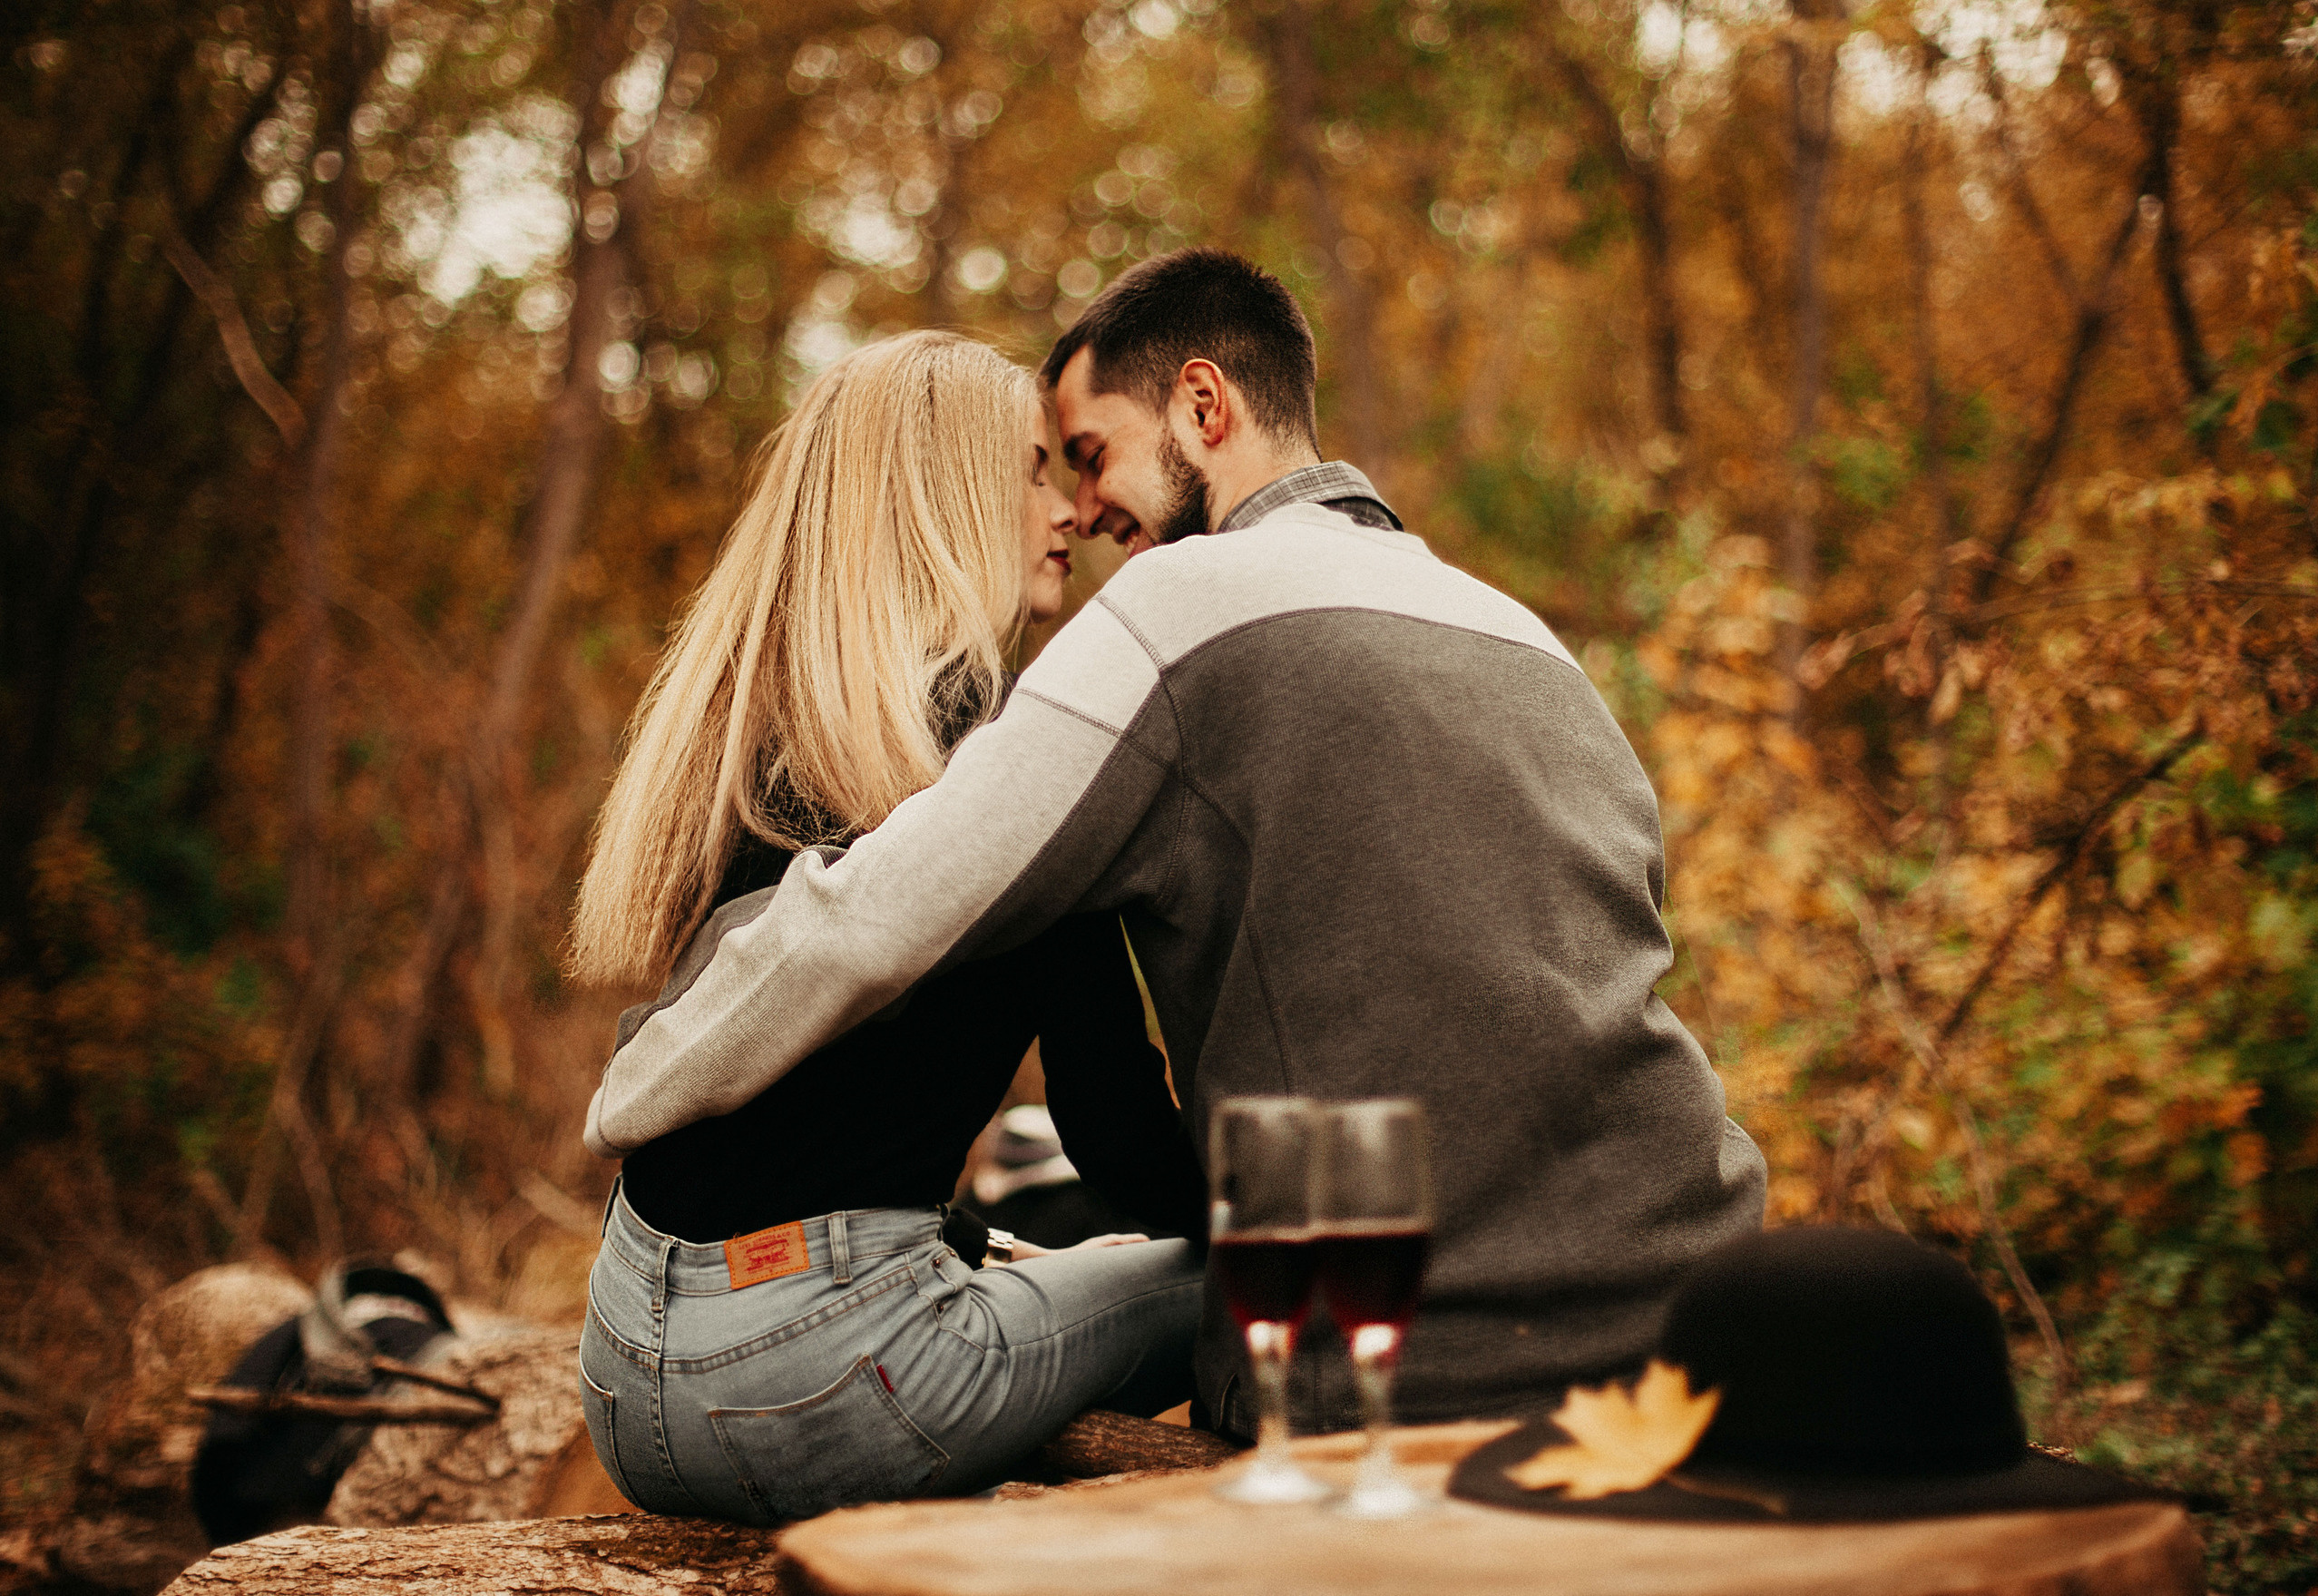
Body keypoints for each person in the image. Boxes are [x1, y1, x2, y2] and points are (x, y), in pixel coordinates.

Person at [585, 250, 1767, 1438]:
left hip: (1411, 1371)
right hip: (1694, 1298)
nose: (1087, 513)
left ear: (1205, 408)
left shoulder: (1177, 610)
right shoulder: (1526, 639)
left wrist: (642, 1080)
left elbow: (870, 918)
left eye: (1091, 457)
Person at [565, 330, 1207, 1525]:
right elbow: (1115, 1134)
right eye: (1028, 471)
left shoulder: (756, 734)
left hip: (618, 1363)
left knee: (1035, 1259)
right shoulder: (1011, 766)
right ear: (946, 498)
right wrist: (1269, 1221)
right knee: (1255, 1291)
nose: (1065, 507)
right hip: (816, 1380)